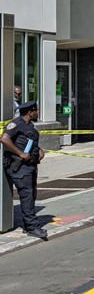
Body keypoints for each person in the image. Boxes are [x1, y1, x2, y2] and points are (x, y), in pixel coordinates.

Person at [1, 101, 46, 240]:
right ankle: (32, 227)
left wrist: (39, 150)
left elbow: (27, 141)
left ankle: (29, 224)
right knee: (26, 195)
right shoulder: (16, 124)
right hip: (19, 167)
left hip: (30, 165)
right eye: (36, 110)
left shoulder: (29, 126)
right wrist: (20, 153)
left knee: (31, 194)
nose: (38, 112)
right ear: (30, 111)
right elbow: (4, 139)